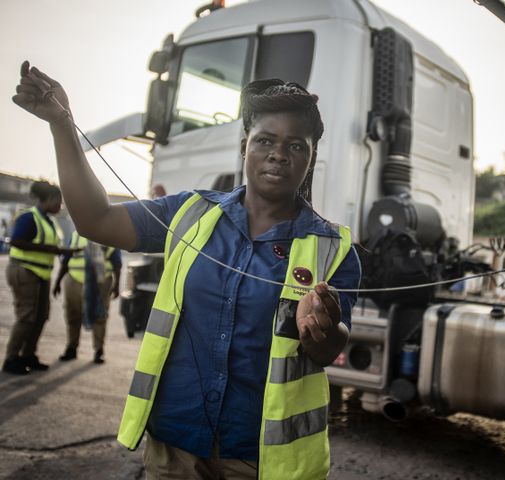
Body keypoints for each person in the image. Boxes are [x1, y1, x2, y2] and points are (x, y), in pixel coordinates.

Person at [13, 62, 361, 480]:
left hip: (259, 457)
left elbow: (328, 351)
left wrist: (324, 331)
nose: (279, 155)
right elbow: (95, 218)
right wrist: (61, 126)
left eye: (297, 146)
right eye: (265, 140)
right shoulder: (189, 213)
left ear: (311, 156)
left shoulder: (333, 250)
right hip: (175, 445)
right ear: (244, 145)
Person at [3, 180, 76, 375]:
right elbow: (16, 242)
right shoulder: (29, 217)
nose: (60, 206)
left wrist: (61, 250)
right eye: (58, 202)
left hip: (41, 274)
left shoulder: (48, 221)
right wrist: (51, 249)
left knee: (41, 316)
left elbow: (47, 245)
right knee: (26, 317)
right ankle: (11, 359)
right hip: (25, 271)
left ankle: (28, 355)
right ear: (49, 199)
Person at [53, 230, 122, 364]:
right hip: (74, 279)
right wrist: (58, 282)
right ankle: (71, 348)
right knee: (72, 315)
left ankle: (98, 351)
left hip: (100, 282)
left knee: (100, 315)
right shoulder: (75, 234)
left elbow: (117, 262)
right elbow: (65, 260)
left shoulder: (110, 234)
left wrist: (117, 285)